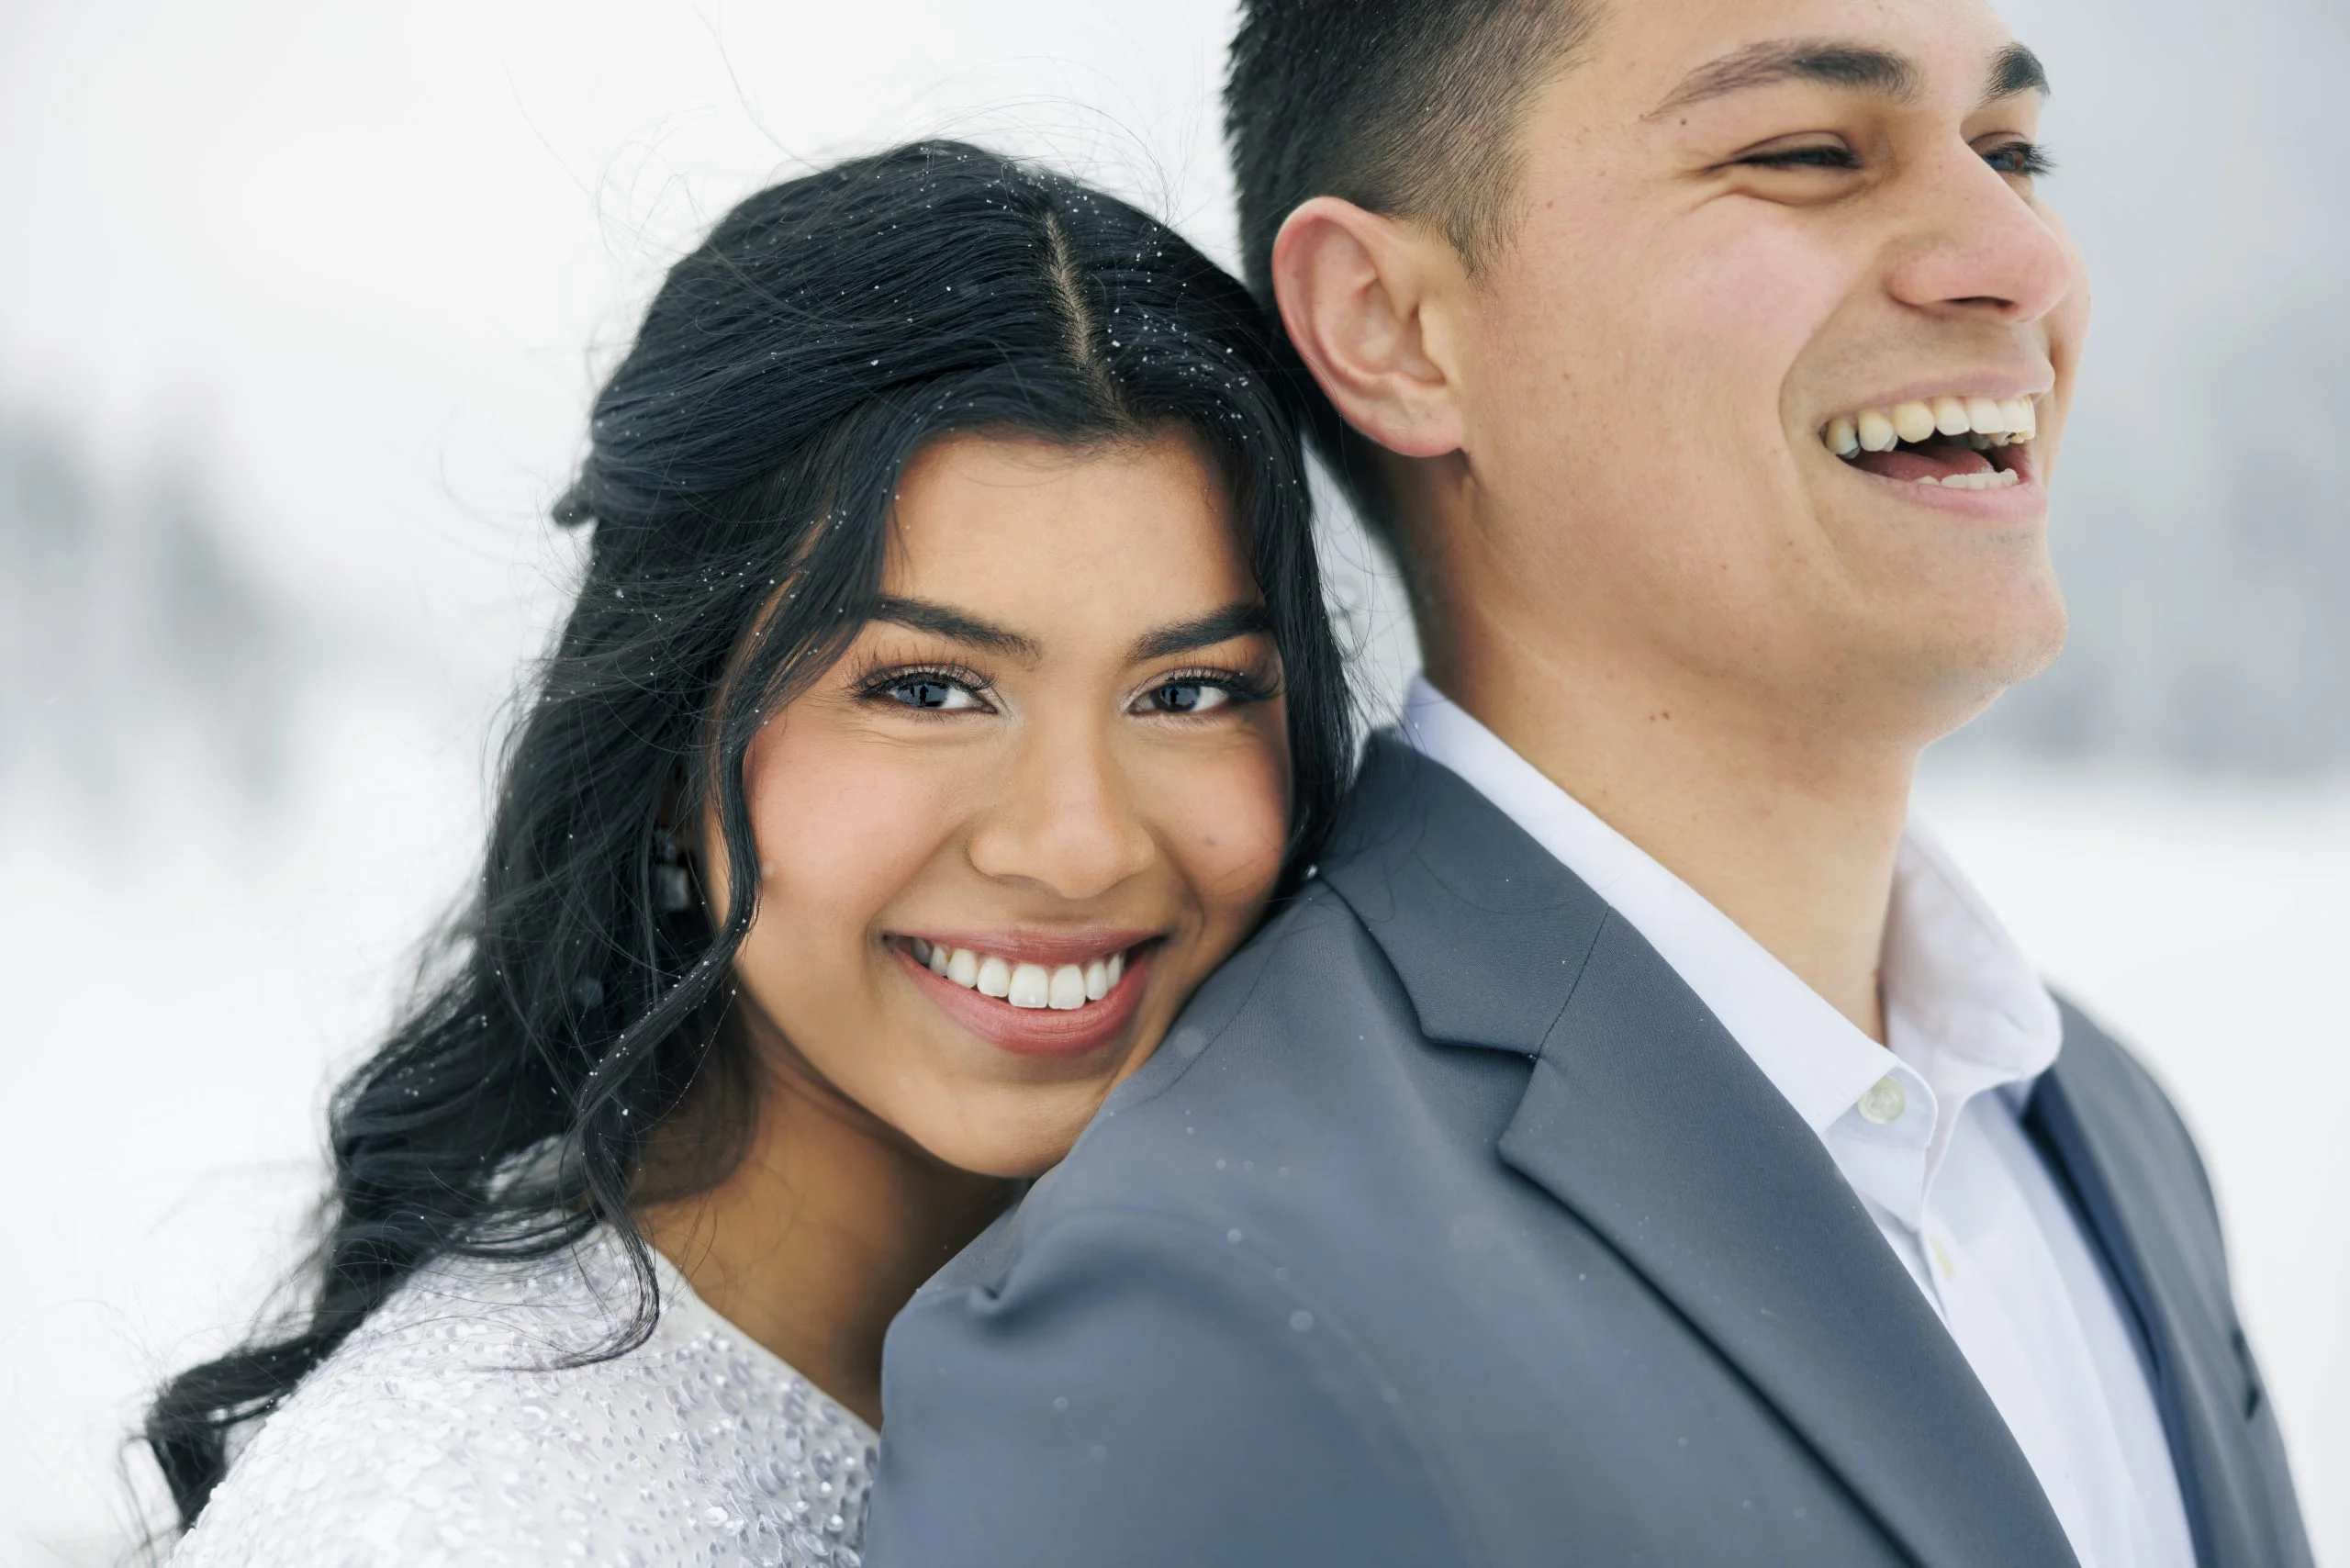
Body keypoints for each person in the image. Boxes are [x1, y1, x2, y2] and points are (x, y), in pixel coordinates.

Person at [864, 5, 2314, 1566]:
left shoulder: (2096, 1119)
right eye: (1810, 152)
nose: (2023, 260)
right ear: (1393, 328)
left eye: (2013, 152)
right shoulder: (1189, 1312)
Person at [144, 140, 1350, 1568]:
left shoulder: (1250, 1369)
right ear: (668, 744)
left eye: (1188, 693)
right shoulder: (466, 1517)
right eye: (925, 689)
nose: (1079, 846)